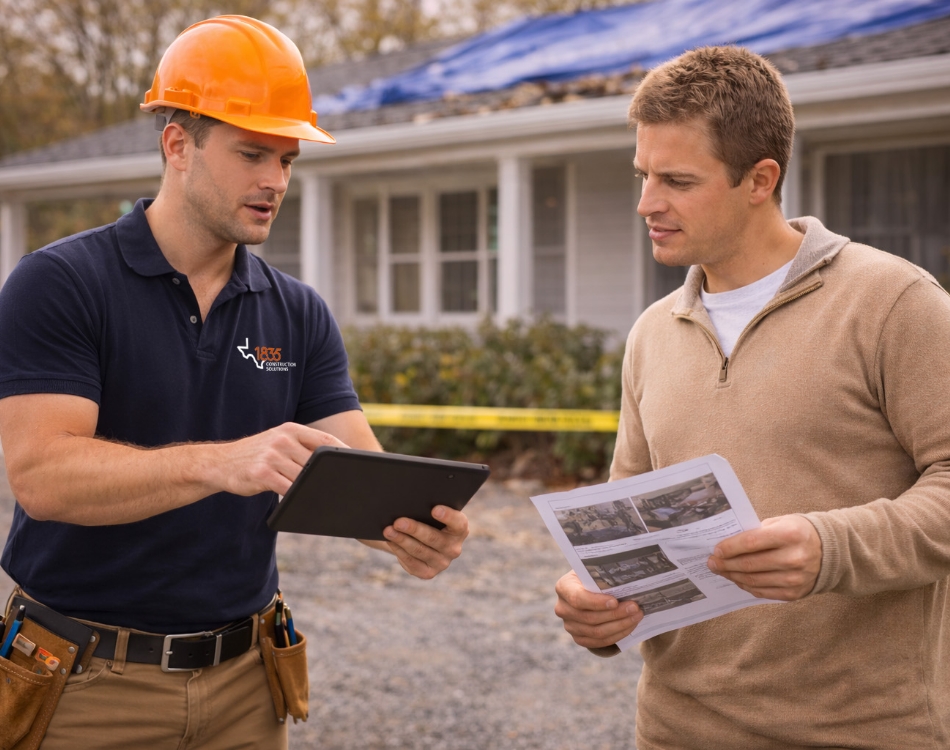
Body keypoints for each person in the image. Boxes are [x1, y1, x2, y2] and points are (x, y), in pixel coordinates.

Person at [0, 16, 470, 750]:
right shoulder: (60, 284)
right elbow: (43, 477)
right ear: (177, 145)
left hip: (248, 688)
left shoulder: (298, 310)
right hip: (86, 687)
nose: (274, 181)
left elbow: (359, 480)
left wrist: (414, 529)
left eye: (286, 159)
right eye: (252, 153)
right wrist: (224, 462)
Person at [554, 45, 950, 748]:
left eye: (677, 180)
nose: (647, 203)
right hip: (676, 729)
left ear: (760, 179)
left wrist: (832, 547)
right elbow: (627, 530)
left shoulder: (895, 304)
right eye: (642, 174)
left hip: (864, 731)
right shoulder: (652, 333)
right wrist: (598, 609)